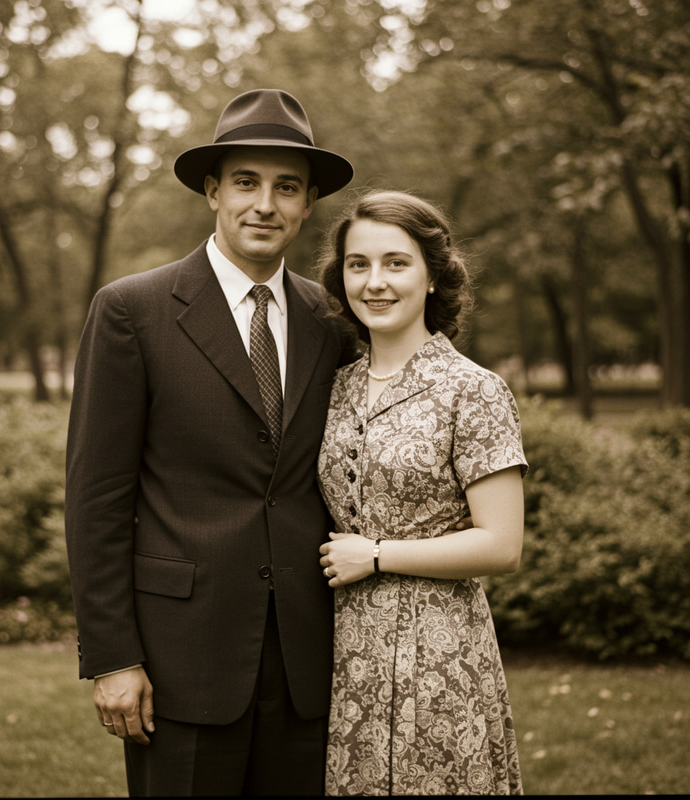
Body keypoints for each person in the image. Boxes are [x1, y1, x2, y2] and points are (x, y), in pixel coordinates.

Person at [64, 89, 360, 796]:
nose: (265, 204)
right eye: (246, 183)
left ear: (308, 203)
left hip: (308, 659)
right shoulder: (132, 311)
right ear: (212, 192)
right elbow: (97, 497)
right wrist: (113, 656)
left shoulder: (333, 320)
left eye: (286, 187)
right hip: (181, 659)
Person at [316, 190, 527, 795]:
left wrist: (376, 554)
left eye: (396, 263)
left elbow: (502, 545)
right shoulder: (334, 386)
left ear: (432, 276)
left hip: (440, 651)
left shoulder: (472, 390)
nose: (375, 282)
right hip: (345, 647)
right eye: (359, 264)